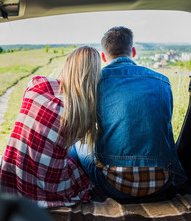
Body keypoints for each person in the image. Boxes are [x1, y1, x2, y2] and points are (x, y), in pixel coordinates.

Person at [70, 26, 188, 200]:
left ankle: (74, 188)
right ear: (132, 51)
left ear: (104, 56)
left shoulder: (95, 83)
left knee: (76, 145)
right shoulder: (163, 81)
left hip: (114, 185)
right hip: (163, 181)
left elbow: (82, 129)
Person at [0, 46, 101, 208]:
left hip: (11, 173)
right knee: (79, 158)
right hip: (49, 187)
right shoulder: (82, 116)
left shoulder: (36, 84)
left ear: (68, 67)